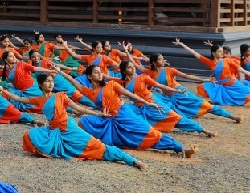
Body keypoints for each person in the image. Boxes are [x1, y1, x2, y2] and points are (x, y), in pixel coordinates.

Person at [64, 65, 198, 157]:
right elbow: (72, 81)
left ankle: (179, 148)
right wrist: (59, 71)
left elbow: (130, 95)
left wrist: (149, 104)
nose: (100, 74)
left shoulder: (111, 84)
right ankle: (77, 143)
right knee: (84, 121)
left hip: (124, 114)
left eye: (100, 72)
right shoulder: (89, 92)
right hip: (108, 119)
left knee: (149, 132)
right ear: (89, 76)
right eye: (96, 72)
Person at [21, 74, 146, 169]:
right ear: (40, 84)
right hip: (54, 131)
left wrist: (98, 113)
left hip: (68, 127)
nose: (51, 83)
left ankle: (131, 160)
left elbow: (78, 108)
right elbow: (18, 98)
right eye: (47, 81)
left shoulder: (60, 95)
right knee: (28, 135)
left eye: (52, 81)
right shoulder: (38, 100)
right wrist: (7, 93)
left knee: (97, 146)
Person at [118, 58, 217, 137]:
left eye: (133, 66)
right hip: (140, 108)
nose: (133, 69)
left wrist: (177, 91)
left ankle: (204, 130)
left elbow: (160, 86)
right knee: (130, 116)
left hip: (154, 104)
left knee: (176, 118)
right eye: (130, 67)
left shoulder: (142, 77)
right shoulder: (122, 83)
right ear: (124, 71)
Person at [141, 53, 241, 123]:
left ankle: (232, 116)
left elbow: (187, 76)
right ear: (154, 62)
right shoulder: (149, 73)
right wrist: (130, 54)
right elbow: (136, 67)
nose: (163, 60)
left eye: (162, 58)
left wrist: (205, 79)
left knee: (204, 104)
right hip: (168, 98)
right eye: (160, 59)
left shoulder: (169, 70)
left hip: (181, 93)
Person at [173, 40, 250, 106]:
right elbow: (195, 53)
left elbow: (238, 67)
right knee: (201, 87)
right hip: (220, 84)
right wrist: (182, 44)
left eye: (222, 52)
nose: (222, 53)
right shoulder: (210, 62)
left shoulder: (227, 60)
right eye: (219, 52)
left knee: (247, 91)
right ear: (213, 53)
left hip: (232, 83)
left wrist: (246, 72)